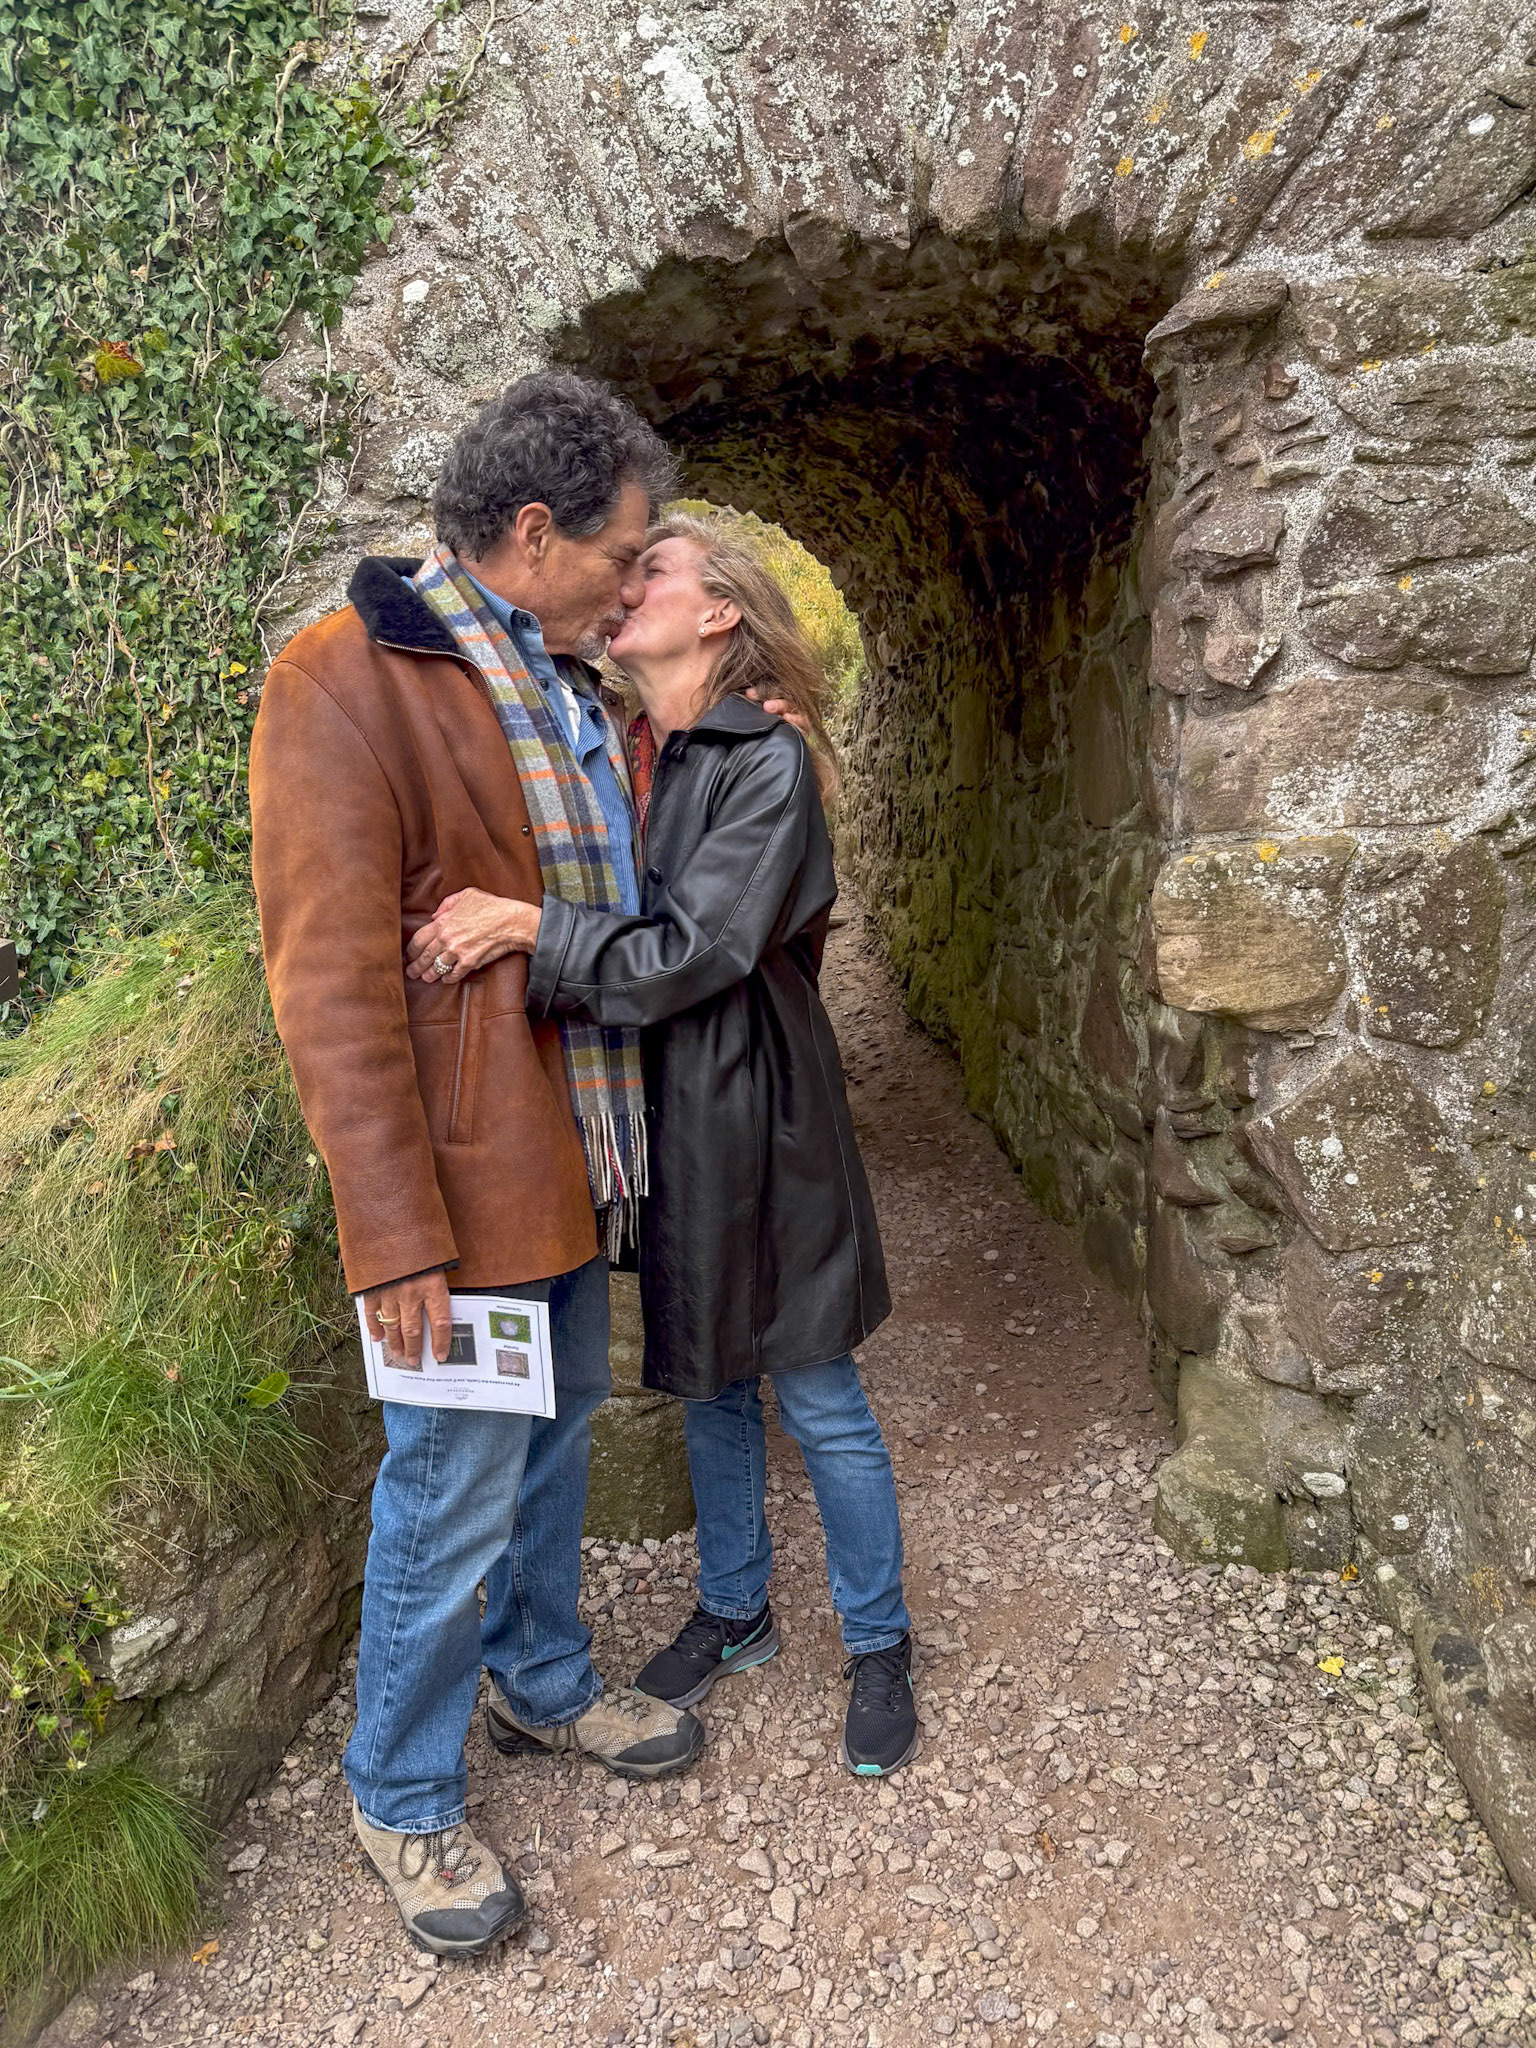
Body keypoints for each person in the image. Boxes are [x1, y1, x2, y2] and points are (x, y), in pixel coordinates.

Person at [250, 375, 709, 1960]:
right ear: (535, 533)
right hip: (456, 1185)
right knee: (449, 1483)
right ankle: (400, 1786)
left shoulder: (559, 676)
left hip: (572, 1156)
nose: (636, 578)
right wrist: (393, 1241)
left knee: (560, 1437)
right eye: (623, 551)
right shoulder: (342, 683)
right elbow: (330, 992)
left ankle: (542, 1681)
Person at [405, 514, 919, 1777]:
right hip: (668, 1108)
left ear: (720, 614)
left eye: (655, 574)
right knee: (706, 1375)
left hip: (767, 1105)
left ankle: (880, 1639)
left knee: (814, 1383)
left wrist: (531, 927)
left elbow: (701, 948)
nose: (624, 588)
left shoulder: (764, 761)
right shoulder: (635, 746)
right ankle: (736, 1607)